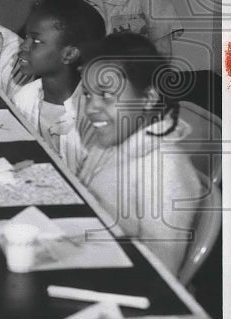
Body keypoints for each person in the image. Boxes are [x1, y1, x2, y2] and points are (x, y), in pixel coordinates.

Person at [77, 33, 200, 275]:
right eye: (88, 94)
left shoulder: (164, 169)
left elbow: (161, 270)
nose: (90, 108)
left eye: (106, 95)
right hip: (93, 251)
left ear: (148, 98)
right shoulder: (111, 137)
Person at [9, 0, 106, 172]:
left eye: (36, 41)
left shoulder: (94, 116)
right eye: (26, 36)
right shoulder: (24, 99)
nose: (24, 45)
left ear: (69, 54)